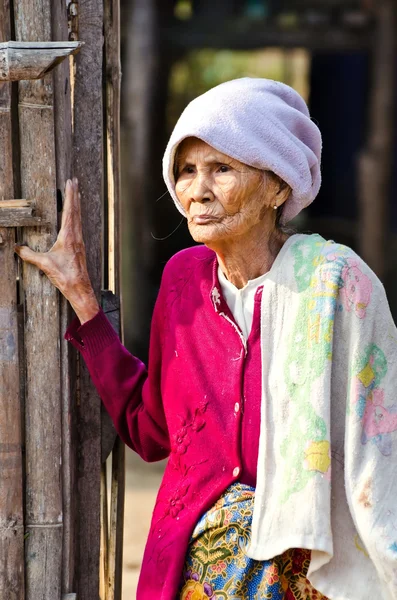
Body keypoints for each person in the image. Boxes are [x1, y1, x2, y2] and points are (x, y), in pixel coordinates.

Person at [15, 78, 397, 600]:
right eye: (187, 170)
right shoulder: (183, 282)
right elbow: (149, 432)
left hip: (306, 572)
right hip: (194, 568)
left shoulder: (335, 285)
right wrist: (83, 299)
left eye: (222, 169)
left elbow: (380, 447)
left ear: (279, 186)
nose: (197, 190)